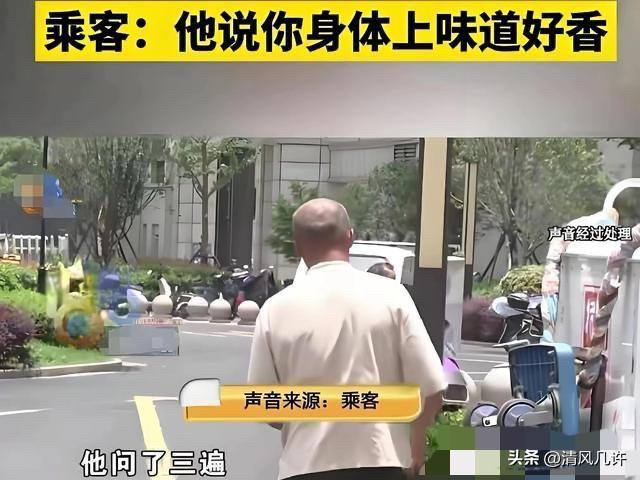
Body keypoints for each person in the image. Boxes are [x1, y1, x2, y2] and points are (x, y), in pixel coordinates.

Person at [248, 198, 446, 480]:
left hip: (305, 468)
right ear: (350, 237)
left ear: (297, 247)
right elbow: (432, 389)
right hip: (382, 464)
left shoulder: (274, 310)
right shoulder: (392, 295)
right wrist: (416, 450)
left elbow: (267, 409)